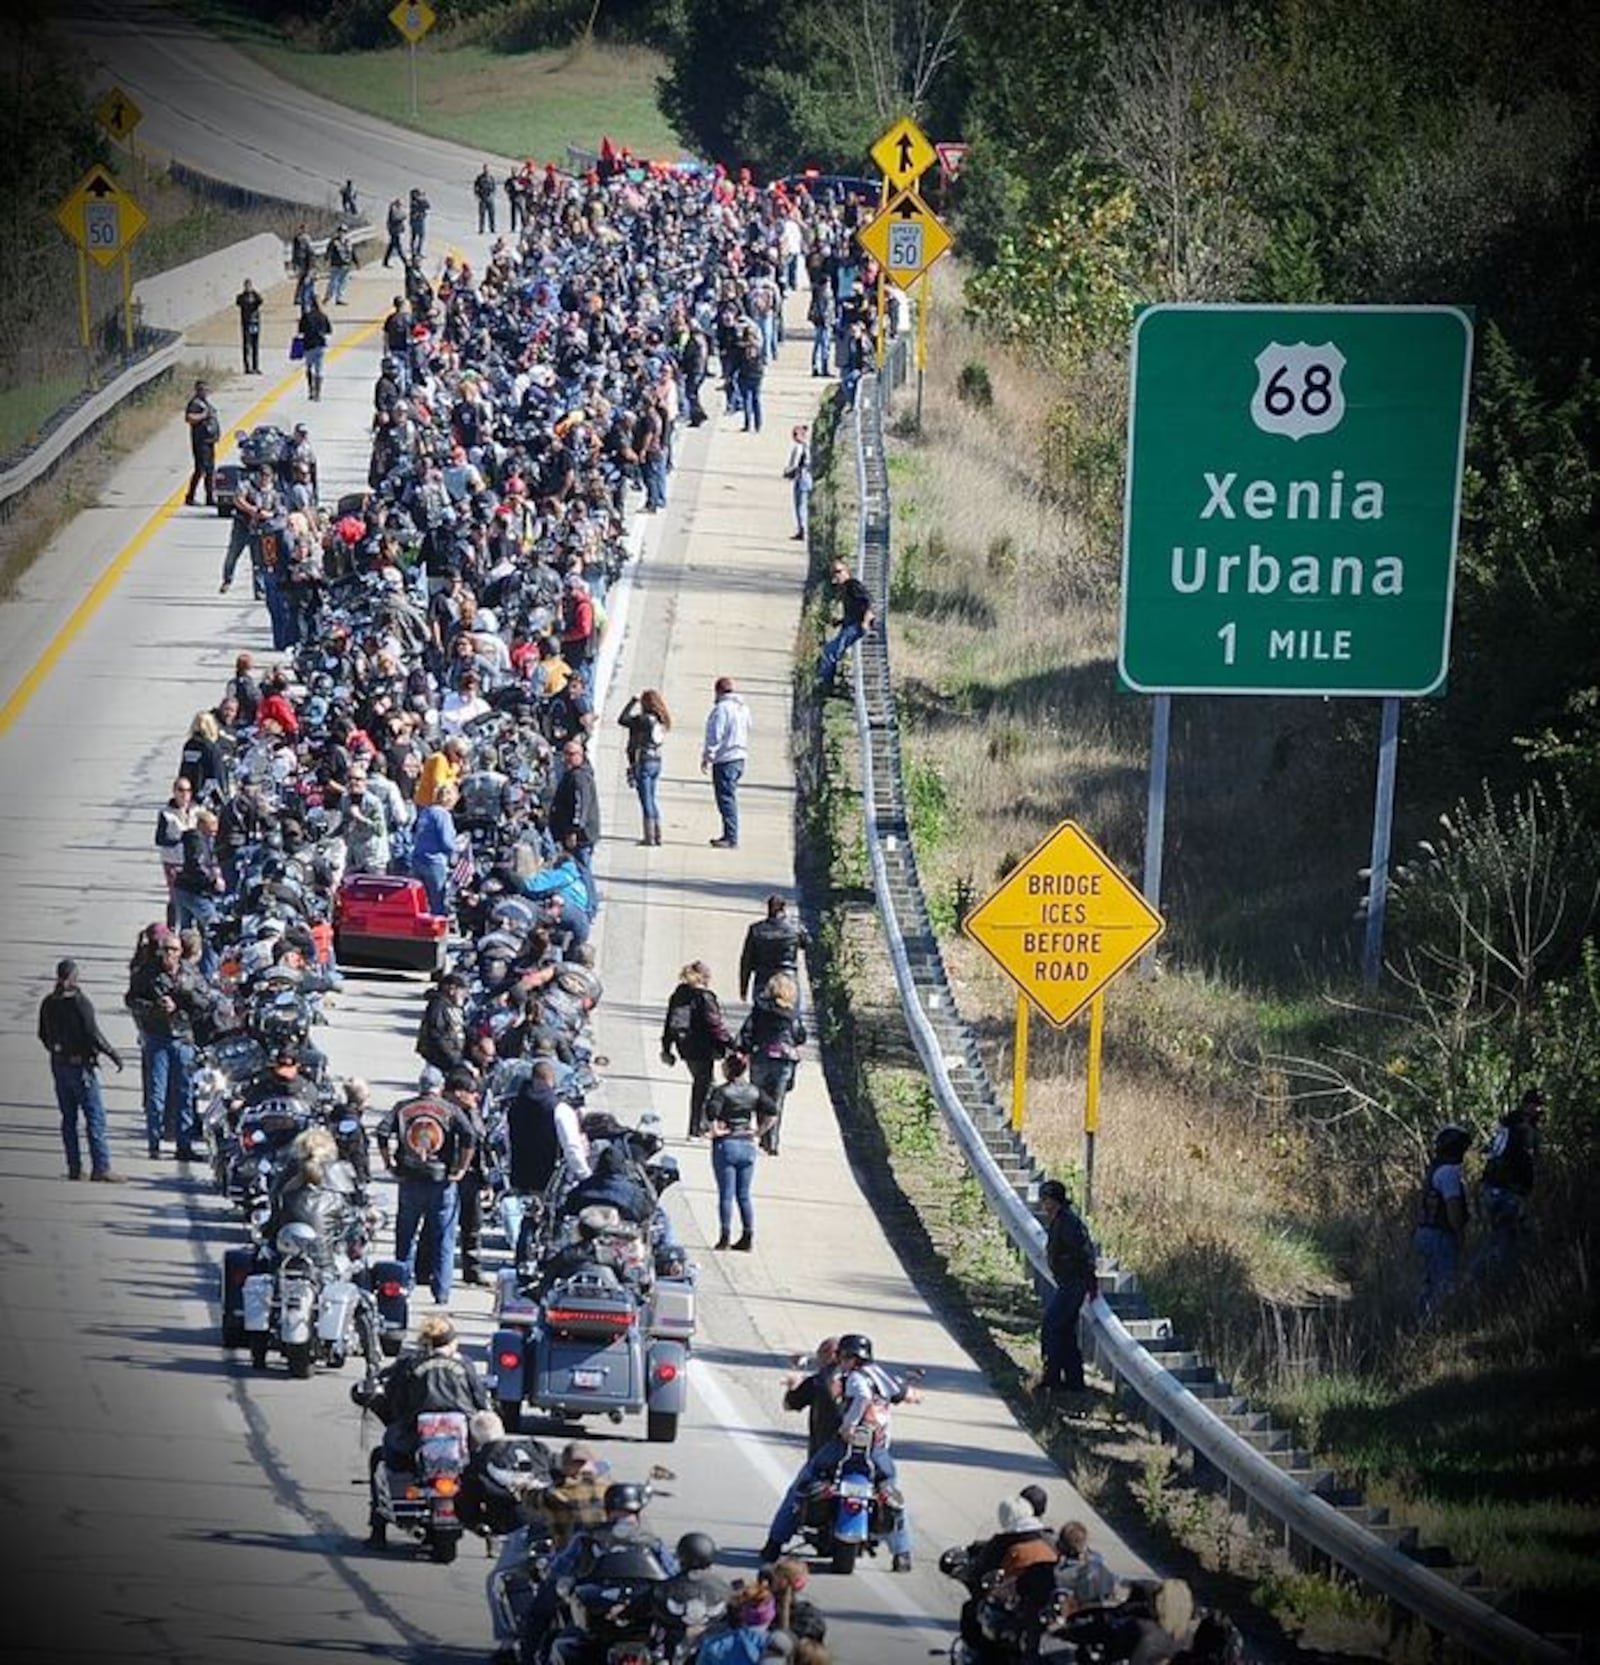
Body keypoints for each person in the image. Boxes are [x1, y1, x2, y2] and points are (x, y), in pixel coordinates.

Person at [760, 1332, 919, 1572]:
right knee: (889, 1490)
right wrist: (913, 1393)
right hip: (873, 1451)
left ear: (839, 1356)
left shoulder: (828, 1381)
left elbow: (790, 1404)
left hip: (835, 1451)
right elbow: (905, 1394)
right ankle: (903, 1553)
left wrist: (848, 1424)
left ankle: (774, 1545)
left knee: (799, 1490)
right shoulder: (879, 1376)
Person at [362, 1313, 489, 1542]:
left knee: (382, 1457)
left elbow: (395, 1402)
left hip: (415, 1437)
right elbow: (481, 1402)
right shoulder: (465, 1364)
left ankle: (378, 1530)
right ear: (452, 1341)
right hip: (462, 1441)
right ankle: (493, 1532)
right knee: (485, 1464)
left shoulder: (410, 1364)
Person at [376, 1068, 481, 1306]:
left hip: (410, 1179)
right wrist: (462, 1168)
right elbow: (470, 1136)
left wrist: (389, 1162)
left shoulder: (403, 1107)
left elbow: (382, 1132)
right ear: (440, 1087)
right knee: (444, 1237)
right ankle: (442, 1292)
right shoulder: (450, 1110)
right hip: (441, 1181)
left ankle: (402, 1284)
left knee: (405, 1237)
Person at [37, 958, 125, 1182]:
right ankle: (101, 1166)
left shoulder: (49, 1002)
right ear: (75, 977)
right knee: (94, 1117)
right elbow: (92, 1034)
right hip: (80, 1067)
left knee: (68, 1118)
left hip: (59, 1064)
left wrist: (57, 1050)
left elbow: (43, 1034)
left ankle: (74, 1167)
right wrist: (112, 1054)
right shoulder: (79, 1002)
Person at [124, 928, 202, 1161]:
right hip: (157, 1038)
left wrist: (180, 1001)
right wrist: (154, 1008)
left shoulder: (190, 973)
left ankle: (184, 1145)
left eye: (174, 949)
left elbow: (205, 1001)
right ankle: (154, 1143)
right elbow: (131, 999)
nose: (169, 954)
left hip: (183, 1038)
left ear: (181, 952)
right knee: (156, 1096)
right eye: (166, 949)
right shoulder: (148, 973)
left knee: (185, 1094)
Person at [502, 1058, 591, 1258]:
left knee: (528, 1217)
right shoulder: (559, 1109)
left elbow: (507, 1140)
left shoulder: (514, 1105)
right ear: (552, 1081)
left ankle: (523, 1255)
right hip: (549, 1177)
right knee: (553, 1221)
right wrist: (585, 1175)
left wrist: (510, 1166)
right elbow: (572, 1147)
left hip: (520, 1173)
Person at [704, 1054, 778, 1251]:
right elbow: (772, 1112)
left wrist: (715, 1130)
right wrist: (758, 1132)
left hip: (727, 1144)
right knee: (744, 1195)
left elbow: (711, 1111)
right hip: (747, 1145)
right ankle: (747, 1235)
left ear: (728, 1069)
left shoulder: (722, 1092)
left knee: (726, 1195)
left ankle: (725, 1236)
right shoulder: (754, 1091)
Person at [1473, 1086, 1544, 1282]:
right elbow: (1528, 1160)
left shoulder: (1507, 1125)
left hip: (1497, 1189)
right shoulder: (1522, 1128)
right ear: (1526, 1105)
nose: (1539, 1110)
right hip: (1506, 1191)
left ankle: (1499, 1284)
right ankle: (1480, 1283)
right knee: (1503, 1240)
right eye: (1535, 1105)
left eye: (1540, 1106)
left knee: (1511, 1237)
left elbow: (1489, 1151)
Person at [660, 961, 734, 1137]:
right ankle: (698, 1127)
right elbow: (714, 1025)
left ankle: (701, 1125)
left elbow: (669, 1021)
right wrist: (730, 1044)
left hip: (685, 1046)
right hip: (703, 1047)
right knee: (703, 1085)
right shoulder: (705, 997)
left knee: (704, 1083)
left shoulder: (679, 994)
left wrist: (666, 1047)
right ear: (706, 977)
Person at [1038, 1179, 1096, 1399]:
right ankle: (1074, 1382)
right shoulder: (1060, 1221)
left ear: (1057, 1200)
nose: (1045, 1205)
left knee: (1052, 1326)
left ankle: (1052, 1377)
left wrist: (1088, 1280)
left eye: (1048, 1200)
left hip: (1073, 1284)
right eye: (1044, 1200)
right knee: (1065, 1332)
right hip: (1069, 1282)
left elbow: (1084, 1254)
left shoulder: (1069, 1223)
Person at [737, 971, 806, 1154]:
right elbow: (800, 1035)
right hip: (784, 1059)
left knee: (760, 1097)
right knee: (777, 1101)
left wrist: (743, 1050)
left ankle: (761, 1133)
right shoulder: (792, 1013)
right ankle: (772, 1140)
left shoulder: (760, 1009)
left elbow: (748, 1031)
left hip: (761, 1055)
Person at [1416, 1123, 1471, 1321]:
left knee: (1428, 1286)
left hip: (1425, 1232)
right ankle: (1433, 1328)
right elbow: (1453, 1208)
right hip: (1440, 1236)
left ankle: (1419, 1326)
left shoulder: (1434, 1169)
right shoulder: (1449, 1173)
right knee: (1444, 1287)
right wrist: (1460, 1235)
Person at [702, 676, 751, 849]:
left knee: (725, 799)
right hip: (740, 757)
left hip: (725, 759)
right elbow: (748, 727)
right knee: (729, 796)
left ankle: (731, 837)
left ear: (718, 691)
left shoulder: (721, 709)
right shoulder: (743, 708)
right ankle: (729, 834)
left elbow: (715, 734)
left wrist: (708, 755)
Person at [549, 738, 601, 900]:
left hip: (581, 837)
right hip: (576, 833)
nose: (567, 758)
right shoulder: (573, 774)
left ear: (581, 755)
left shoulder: (579, 777)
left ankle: (590, 904)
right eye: (565, 754)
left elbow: (581, 806)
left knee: (582, 870)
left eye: (571, 754)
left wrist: (573, 830)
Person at [618, 689, 670, 846]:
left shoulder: (643, 720)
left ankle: (650, 836)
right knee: (652, 798)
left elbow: (622, 719)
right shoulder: (660, 721)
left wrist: (632, 701)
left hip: (644, 760)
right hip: (656, 760)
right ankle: (657, 833)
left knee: (646, 799)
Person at [816, 559, 875, 693]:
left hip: (856, 626)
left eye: (838, 571)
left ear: (846, 571)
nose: (836, 576)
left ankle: (825, 685)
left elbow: (868, 602)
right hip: (850, 624)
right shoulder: (845, 588)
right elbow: (855, 610)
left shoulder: (852, 584)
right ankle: (826, 683)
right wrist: (839, 621)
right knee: (831, 650)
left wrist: (865, 622)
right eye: (833, 573)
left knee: (830, 651)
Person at [738, 895, 810, 1003]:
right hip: (788, 979)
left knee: (759, 1014)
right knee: (793, 1014)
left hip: (763, 979)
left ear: (768, 908)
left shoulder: (756, 929)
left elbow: (746, 961)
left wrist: (743, 988)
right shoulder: (795, 929)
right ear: (784, 908)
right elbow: (807, 943)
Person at [781, 1337, 841, 1458]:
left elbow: (789, 1405)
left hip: (822, 1451)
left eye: (821, 1352)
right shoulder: (861, 1380)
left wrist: (793, 1385)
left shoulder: (817, 1382)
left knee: (806, 1477)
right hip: (855, 1452)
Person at [411, 780, 462, 918]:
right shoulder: (443, 815)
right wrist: (458, 849)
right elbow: (447, 841)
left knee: (421, 900)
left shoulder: (426, 811)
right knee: (437, 901)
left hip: (418, 859)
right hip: (435, 862)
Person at [154, 776, 198, 924]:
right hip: (172, 861)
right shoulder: (166, 813)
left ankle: (188, 926)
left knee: (190, 895)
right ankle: (171, 927)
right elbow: (159, 839)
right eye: (180, 790)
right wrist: (179, 839)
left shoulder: (196, 810)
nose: (184, 794)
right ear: (174, 792)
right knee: (175, 896)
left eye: (187, 790)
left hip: (191, 861)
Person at [414, 970, 469, 1078]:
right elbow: (437, 1034)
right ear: (452, 989)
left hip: (452, 1059)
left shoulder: (453, 1006)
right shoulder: (438, 1005)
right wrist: (454, 1057)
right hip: (440, 1060)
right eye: (462, 990)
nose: (465, 995)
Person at [183, 379, 219, 507]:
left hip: (209, 441)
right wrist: (204, 415)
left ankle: (209, 497)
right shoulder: (195, 403)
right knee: (200, 469)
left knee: (210, 470)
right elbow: (189, 418)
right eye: (203, 390)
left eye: (206, 389)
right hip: (200, 441)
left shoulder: (205, 403)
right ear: (198, 390)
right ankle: (190, 496)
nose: (205, 392)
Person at [299, 294, 332, 402]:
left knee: (309, 368)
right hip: (320, 345)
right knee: (319, 369)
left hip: (309, 345)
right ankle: (318, 392)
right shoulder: (323, 316)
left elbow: (301, 331)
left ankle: (311, 390)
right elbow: (328, 331)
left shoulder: (306, 316)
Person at [783, 423, 813, 541]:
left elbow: (794, 464)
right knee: (804, 505)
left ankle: (802, 530)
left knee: (800, 506)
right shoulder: (807, 447)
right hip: (808, 478)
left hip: (800, 478)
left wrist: (787, 472)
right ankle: (803, 529)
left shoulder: (798, 448)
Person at [235, 278, 263, 373]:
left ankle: (256, 367)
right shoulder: (241, 297)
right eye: (246, 286)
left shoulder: (255, 296)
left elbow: (261, 301)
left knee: (255, 345)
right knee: (247, 345)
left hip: (255, 323)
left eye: (249, 286)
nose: (248, 288)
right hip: (246, 324)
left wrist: (253, 293)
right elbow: (238, 302)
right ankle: (247, 367)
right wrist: (246, 295)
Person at [382, 196, 406, 267]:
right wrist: (402, 217)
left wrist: (402, 227)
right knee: (399, 247)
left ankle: (385, 261)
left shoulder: (397, 210)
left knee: (391, 247)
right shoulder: (393, 210)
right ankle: (405, 261)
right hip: (394, 231)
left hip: (396, 230)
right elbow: (396, 219)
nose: (401, 206)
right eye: (400, 204)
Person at [474, 163, 497, 234]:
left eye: (487, 169)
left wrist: (492, 195)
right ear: (483, 169)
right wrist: (478, 196)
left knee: (492, 214)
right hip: (482, 198)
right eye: (485, 168)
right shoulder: (479, 178)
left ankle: (492, 228)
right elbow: (476, 187)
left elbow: (494, 187)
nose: (486, 170)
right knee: (482, 215)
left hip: (490, 198)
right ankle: (481, 229)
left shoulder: (491, 178)